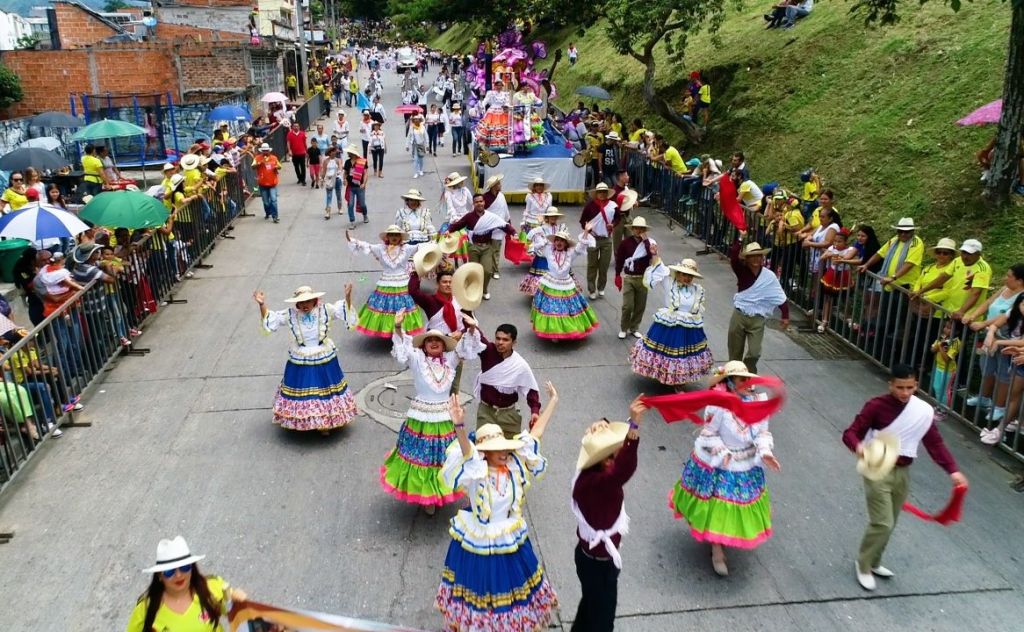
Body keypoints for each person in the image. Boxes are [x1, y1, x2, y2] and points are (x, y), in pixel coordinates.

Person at [436, 384, 559, 631]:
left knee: (514, 594)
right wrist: (459, 426)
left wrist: (553, 401)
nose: (502, 452)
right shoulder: (476, 472)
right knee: (482, 595)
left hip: (510, 539)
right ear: (485, 453)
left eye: (503, 447)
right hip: (480, 543)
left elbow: (537, 433)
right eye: (495, 450)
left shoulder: (515, 465)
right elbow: (467, 451)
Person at [842, 364, 967, 591]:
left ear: (916, 385)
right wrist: (859, 448)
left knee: (891, 521)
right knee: (883, 522)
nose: (905, 392)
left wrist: (953, 470)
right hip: (877, 468)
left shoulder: (922, 411)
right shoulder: (876, 406)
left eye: (910, 387)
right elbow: (850, 433)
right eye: (900, 387)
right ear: (891, 384)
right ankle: (863, 565)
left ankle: (875, 561)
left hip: (903, 471)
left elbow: (934, 443)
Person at [670, 360, 781, 576]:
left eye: (749, 379)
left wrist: (765, 452)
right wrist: (723, 453)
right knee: (718, 505)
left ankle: (721, 540)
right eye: (742, 379)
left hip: (746, 463)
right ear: (729, 382)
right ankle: (716, 549)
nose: (748, 384)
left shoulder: (758, 401)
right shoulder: (718, 405)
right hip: (720, 461)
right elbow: (708, 434)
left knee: (737, 505)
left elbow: (762, 433)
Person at [381, 311, 475, 514]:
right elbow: (403, 350)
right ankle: (428, 497)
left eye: (438, 340)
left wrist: (472, 328)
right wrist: (398, 327)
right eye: (429, 340)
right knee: (423, 459)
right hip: (421, 418)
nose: (433, 343)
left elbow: (467, 348)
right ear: (423, 345)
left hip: (446, 417)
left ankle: (451, 487)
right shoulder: (417, 360)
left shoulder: (450, 361)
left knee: (447, 456)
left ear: (443, 345)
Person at [571, 396, 647, 632]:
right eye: (613, 453)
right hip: (598, 565)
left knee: (590, 609)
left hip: (592, 559)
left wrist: (602, 424)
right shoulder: (600, 484)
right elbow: (624, 467)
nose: (618, 453)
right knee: (603, 623)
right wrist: (633, 427)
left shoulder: (588, 475)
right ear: (604, 462)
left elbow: (617, 459)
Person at [254, 284, 359, 432]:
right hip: (301, 357)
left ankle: (324, 424)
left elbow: (343, 310)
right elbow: (272, 319)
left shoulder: (325, 311)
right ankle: (307, 421)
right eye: (301, 302)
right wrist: (262, 304)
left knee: (323, 391)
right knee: (306, 392)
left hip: (323, 356)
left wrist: (348, 296)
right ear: (297, 303)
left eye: (308, 301)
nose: (305, 305)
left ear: (315, 300)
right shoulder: (291, 315)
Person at [126, 536, 246, 632]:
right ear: (159, 576)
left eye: (184, 567)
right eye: (169, 571)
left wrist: (239, 600)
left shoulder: (211, 587)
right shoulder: (145, 609)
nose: (179, 575)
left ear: (192, 568)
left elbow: (239, 615)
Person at [631, 258, 715, 387]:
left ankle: (679, 382)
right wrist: (654, 254)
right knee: (669, 353)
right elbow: (660, 269)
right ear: (678, 273)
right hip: (670, 326)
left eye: (690, 275)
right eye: (684, 274)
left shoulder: (697, 290)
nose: (687, 278)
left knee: (684, 356)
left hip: (690, 328)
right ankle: (665, 376)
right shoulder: (670, 283)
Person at [460, 322, 542, 438]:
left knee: (510, 451)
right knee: (484, 451)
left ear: (514, 342)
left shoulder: (520, 365)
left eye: (505, 340)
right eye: (498, 338)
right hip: (486, 413)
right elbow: (476, 333)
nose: (500, 342)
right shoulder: (487, 351)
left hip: (509, 415)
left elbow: (530, 389)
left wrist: (535, 411)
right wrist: (470, 319)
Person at [346, 226, 425, 338]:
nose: (394, 237)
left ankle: (402, 331)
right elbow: (366, 246)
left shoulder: (406, 248)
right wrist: (352, 240)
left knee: (403, 307)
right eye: (391, 235)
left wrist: (439, 240)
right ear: (387, 237)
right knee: (384, 307)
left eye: (397, 235)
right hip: (385, 282)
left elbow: (420, 247)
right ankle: (388, 330)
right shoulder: (380, 248)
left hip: (402, 281)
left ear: (401, 237)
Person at [728, 236, 790, 373]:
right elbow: (733, 257)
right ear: (747, 258)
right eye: (753, 256)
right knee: (735, 353)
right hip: (740, 315)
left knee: (754, 352)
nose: (756, 259)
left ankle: (747, 374)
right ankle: (733, 377)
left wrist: (785, 316)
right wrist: (739, 238)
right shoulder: (741, 270)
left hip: (757, 319)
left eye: (759, 256)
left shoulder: (769, 276)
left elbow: (778, 295)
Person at [531, 226, 600, 340]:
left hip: (565, 284)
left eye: (562, 240)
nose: (559, 242)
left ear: (566, 243)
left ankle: (566, 330)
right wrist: (539, 232)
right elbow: (536, 242)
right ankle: (554, 333)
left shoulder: (570, 253)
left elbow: (581, 246)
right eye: (557, 240)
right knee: (551, 309)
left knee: (566, 309)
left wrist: (586, 232)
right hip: (550, 283)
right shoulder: (548, 250)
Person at [445, 194, 516, 301]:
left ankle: (484, 289)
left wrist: (513, 233)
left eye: (481, 201)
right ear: (473, 204)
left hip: (487, 247)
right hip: (473, 247)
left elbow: (503, 225)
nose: (479, 203)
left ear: (484, 202)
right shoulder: (469, 217)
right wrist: (449, 230)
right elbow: (458, 224)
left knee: (487, 271)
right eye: (477, 202)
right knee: (474, 270)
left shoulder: (491, 217)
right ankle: (473, 289)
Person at [614, 216, 656, 339]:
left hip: (643, 278)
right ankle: (624, 327)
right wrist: (617, 274)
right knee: (628, 306)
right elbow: (620, 259)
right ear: (632, 229)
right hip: (629, 277)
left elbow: (651, 256)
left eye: (641, 229)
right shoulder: (625, 243)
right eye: (636, 228)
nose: (638, 231)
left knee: (640, 305)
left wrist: (646, 241)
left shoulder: (649, 243)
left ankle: (634, 327)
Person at [579, 182, 619, 300]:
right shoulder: (590, 206)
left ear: (607, 193)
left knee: (604, 266)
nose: (602, 194)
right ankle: (591, 289)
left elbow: (618, 218)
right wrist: (587, 229)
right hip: (592, 239)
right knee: (592, 265)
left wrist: (613, 224)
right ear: (596, 193)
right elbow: (582, 221)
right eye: (600, 192)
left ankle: (601, 287)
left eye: (604, 192)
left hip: (606, 239)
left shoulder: (613, 205)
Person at [817, 227, 858, 332]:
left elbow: (847, 258)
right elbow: (823, 257)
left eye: (839, 241)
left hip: (844, 275)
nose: (836, 243)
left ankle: (848, 317)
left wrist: (836, 255)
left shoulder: (850, 249)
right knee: (828, 298)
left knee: (846, 298)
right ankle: (825, 320)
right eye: (835, 241)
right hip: (832, 274)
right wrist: (828, 254)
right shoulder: (831, 248)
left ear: (845, 242)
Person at [520, 208, 566, 295]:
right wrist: (542, 242)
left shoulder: (561, 228)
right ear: (547, 217)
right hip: (544, 257)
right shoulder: (541, 229)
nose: (553, 218)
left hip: (557, 256)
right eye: (551, 216)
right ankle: (540, 296)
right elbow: (531, 238)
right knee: (542, 278)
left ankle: (554, 295)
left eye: (555, 216)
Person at [482, 174, 510, 280]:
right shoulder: (485, 198)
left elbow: (505, 210)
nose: (500, 185)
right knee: (486, 250)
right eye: (498, 184)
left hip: (499, 228)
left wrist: (508, 223)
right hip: (487, 228)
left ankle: (495, 270)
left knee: (496, 250)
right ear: (493, 186)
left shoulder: (501, 196)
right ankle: (485, 268)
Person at [440, 172, 472, 265]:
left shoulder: (465, 190)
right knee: (456, 240)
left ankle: (467, 261)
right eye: (459, 181)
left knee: (469, 239)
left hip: (466, 217)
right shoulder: (448, 193)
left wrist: (473, 214)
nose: (462, 183)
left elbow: (472, 202)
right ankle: (456, 262)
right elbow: (451, 208)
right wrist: (456, 219)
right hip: (455, 219)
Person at [252, 143, 282, 223]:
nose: (265, 152)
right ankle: (268, 212)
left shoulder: (274, 158)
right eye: (264, 151)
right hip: (262, 183)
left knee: (274, 200)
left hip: (272, 183)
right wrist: (258, 164)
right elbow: (252, 167)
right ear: (261, 151)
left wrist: (277, 167)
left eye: (267, 150)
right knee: (265, 202)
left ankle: (275, 216)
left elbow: (279, 166)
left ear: (269, 150)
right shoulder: (257, 158)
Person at [343, 145, 370, 229]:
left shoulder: (362, 162)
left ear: (353, 153)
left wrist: (364, 183)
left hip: (359, 187)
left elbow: (365, 174)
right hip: (350, 187)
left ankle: (365, 215)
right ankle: (352, 221)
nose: (348, 153)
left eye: (349, 152)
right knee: (350, 204)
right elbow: (345, 173)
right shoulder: (347, 162)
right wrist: (344, 179)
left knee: (362, 204)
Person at [320, 146, 344, 220]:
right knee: (329, 195)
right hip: (329, 179)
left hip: (337, 179)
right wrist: (322, 179)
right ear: (330, 153)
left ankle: (340, 208)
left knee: (338, 194)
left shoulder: (338, 160)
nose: (335, 152)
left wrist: (339, 171)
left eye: (335, 151)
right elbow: (323, 171)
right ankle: (328, 211)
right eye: (333, 151)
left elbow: (340, 167)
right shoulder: (326, 161)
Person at [406, 114, 428, 179]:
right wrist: (407, 145)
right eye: (414, 119)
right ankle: (416, 172)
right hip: (414, 145)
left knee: (421, 159)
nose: (416, 120)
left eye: (417, 119)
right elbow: (408, 136)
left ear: (419, 120)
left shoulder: (422, 127)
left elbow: (426, 136)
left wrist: (427, 145)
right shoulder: (412, 127)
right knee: (415, 159)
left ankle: (421, 170)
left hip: (421, 144)